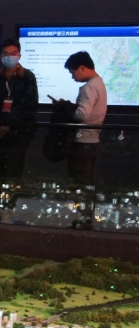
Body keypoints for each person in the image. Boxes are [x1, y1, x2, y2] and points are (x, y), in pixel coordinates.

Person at [0, 39, 38, 223]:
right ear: (1, 56)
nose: (10, 57)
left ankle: (9, 210)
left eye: (13, 54)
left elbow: (29, 105)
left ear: (19, 55)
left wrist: (9, 125)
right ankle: (0, 208)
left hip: (18, 135)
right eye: (6, 54)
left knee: (13, 173)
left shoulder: (28, 77)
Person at [64, 51, 108, 229]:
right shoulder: (100, 83)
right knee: (87, 184)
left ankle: (83, 220)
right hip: (93, 142)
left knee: (80, 183)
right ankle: (85, 219)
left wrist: (66, 109)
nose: (73, 77)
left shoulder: (89, 87)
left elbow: (82, 115)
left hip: (83, 142)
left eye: (73, 72)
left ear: (82, 68)